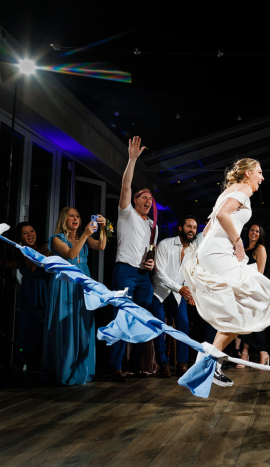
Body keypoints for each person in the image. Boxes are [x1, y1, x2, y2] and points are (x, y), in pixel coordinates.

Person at [181, 158, 270, 387]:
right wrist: (237, 242)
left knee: (237, 308)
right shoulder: (244, 189)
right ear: (247, 173)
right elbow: (221, 216)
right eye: (259, 172)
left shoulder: (228, 191)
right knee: (256, 298)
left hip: (214, 252)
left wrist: (206, 253)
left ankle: (212, 361)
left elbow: (208, 227)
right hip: (220, 253)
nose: (262, 177)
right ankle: (210, 359)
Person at [110, 136, 157, 382]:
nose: (148, 201)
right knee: (121, 316)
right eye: (143, 197)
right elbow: (126, 186)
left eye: (150, 198)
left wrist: (152, 264)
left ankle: (137, 365)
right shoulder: (126, 213)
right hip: (125, 272)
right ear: (134, 201)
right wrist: (132, 159)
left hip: (143, 276)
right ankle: (116, 366)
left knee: (142, 320)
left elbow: (150, 251)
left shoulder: (152, 225)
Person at [45, 207, 106, 385]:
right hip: (65, 281)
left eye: (78, 216)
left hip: (82, 280)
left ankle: (81, 368)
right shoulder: (56, 239)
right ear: (64, 219)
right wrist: (86, 235)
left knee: (82, 323)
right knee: (65, 324)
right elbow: (71, 254)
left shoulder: (82, 237)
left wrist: (103, 228)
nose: (75, 218)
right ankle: (64, 369)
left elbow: (101, 246)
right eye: (71, 216)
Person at [0, 222, 50, 367]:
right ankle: (20, 365)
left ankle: (42, 364)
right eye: (25, 233)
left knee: (45, 331)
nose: (30, 235)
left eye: (32, 231)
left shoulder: (45, 249)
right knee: (24, 332)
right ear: (20, 237)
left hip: (44, 296)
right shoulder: (19, 254)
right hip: (27, 299)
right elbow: (11, 265)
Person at [151, 216, 197, 378]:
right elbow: (159, 274)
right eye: (189, 226)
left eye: (194, 227)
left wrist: (190, 292)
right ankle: (163, 364)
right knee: (159, 328)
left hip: (178, 295)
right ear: (180, 228)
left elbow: (190, 274)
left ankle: (181, 364)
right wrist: (180, 289)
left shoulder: (193, 250)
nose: (192, 229)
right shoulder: (165, 245)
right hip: (160, 293)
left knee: (183, 325)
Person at [238, 224, 270, 366]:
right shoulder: (244, 250)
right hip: (242, 290)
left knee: (256, 323)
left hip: (255, 290)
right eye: (252, 230)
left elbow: (260, 272)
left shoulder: (260, 248)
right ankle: (245, 354)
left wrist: (252, 290)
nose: (254, 233)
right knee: (246, 323)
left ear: (260, 234)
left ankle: (262, 353)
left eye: (257, 231)